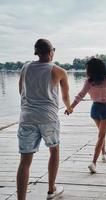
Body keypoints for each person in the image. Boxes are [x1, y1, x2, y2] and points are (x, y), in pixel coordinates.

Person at [17, 39, 71, 200]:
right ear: (50, 52)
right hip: (48, 117)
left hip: (27, 117)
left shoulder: (25, 67)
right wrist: (69, 107)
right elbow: (65, 96)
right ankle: (51, 189)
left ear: (36, 52)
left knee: (25, 160)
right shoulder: (59, 71)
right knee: (54, 150)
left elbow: (21, 91)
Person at [67, 58, 106, 173]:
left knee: (101, 134)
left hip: (95, 109)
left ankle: (104, 153)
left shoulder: (89, 82)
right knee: (102, 135)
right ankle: (94, 163)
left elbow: (80, 95)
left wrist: (71, 107)